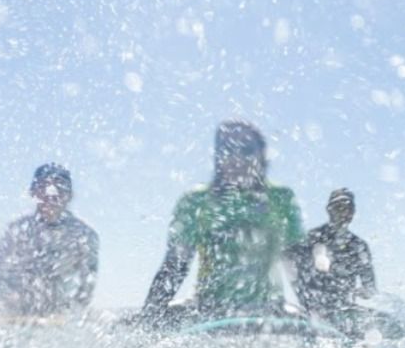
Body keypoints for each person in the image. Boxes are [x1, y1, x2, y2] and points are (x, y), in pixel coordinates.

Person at [144, 121, 304, 322]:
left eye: (246, 150)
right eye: (227, 150)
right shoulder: (196, 201)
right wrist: (149, 317)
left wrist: (319, 315)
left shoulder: (281, 198)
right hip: (207, 307)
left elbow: (298, 265)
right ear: (217, 156)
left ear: (261, 156)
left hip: (269, 308)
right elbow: (175, 266)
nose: (236, 158)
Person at [0, 163, 99, 316]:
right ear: (33, 192)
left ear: (69, 195)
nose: (51, 194)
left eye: (59, 187)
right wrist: (14, 303)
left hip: (63, 323)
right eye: (43, 187)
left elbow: (85, 291)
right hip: (17, 320)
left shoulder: (85, 236)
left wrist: (65, 314)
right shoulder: (15, 232)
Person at [291, 188, 376, 330]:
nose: (343, 212)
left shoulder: (359, 246)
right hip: (311, 312)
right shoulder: (311, 238)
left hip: (342, 314)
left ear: (353, 213)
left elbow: (370, 289)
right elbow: (285, 264)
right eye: (338, 207)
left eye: (348, 208)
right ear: (329, 210)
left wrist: (361, 292)